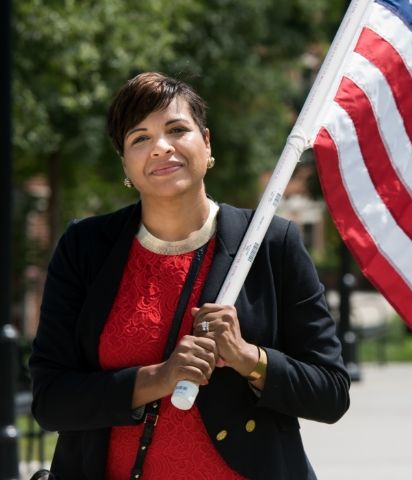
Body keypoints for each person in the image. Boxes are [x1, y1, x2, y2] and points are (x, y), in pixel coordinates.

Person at [29, 72, 350, 479]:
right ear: (125, 163)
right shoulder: (84, 248)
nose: (161, 147)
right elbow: (50, 400)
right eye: (139, 138)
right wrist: (157, 378)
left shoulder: (272, 244)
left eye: (177, 129)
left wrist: (248, 357)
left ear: (207, 143)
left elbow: (331, 393)